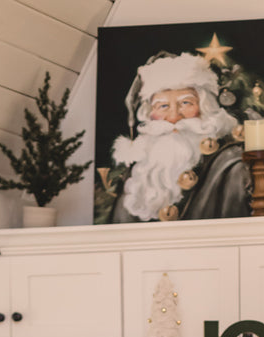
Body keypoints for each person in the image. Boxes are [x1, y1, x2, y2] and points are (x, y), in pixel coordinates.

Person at [99, 51, 251, 223]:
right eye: (163, 106)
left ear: (206, 109)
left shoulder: (230, 165)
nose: (173, 117)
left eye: (185, 103)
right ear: (149, 114)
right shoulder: (139, 171)